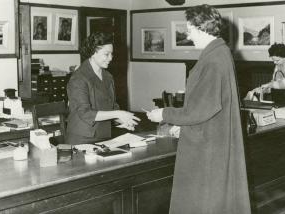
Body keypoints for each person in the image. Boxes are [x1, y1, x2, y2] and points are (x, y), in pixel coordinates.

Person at [146, 4, 251, 214]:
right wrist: (184, 127)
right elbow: (211, 107)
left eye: (190, 29)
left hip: (208, 149)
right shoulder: (219, 53)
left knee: (201, 203)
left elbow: (201, 110)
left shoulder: (213, 59)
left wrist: (164, 114)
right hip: (211, 139)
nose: (188, 34)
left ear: (202, 27)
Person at [66, 32, 140, 145]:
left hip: (104, 136)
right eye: (106, 54)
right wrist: (118, 114)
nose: (110, 58)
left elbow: (111, 106)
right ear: (93, 53)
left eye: (112, 54)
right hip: (83, 138)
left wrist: (121, 121)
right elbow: (85, 113)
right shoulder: (79, 78)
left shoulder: (108, 76)